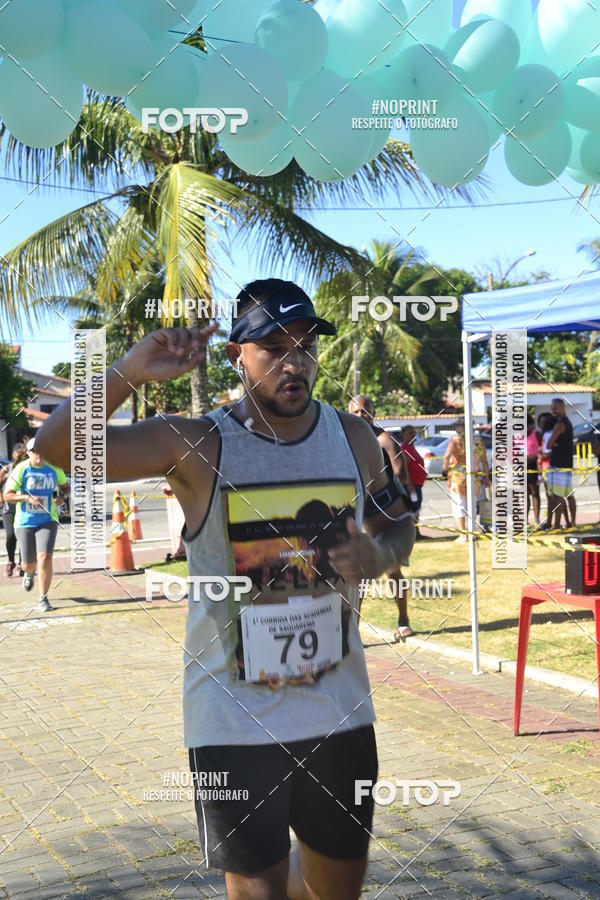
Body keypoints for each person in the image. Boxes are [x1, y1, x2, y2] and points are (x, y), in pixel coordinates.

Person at [35, 279, 415, 900]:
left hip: (340, 715)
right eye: (273, 347)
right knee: (259, 891)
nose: (294, 363)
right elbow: (56, 448)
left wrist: (379, 554)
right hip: (233, 724)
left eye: (305, 345)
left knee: (334, 891)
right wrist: (129, 370)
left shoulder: (352, 438)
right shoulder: (200, 445)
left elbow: (398, 526)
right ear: (238, 355)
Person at [347, 396, 414, 641]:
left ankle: (403, 620)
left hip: (387, 515)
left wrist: (382, 479)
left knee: (393, 570)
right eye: (356, 412)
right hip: (359, 514)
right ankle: (354, 628)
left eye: (366, 411)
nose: (361, 416)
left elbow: (401, 472)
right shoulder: (347, 440)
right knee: (359, 575)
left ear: (374, 413)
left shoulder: (383, 438)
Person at [3, 437, 70, 612]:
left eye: (42, 450)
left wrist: (62, 498)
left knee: (45, 557)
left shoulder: (54, 468)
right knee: (28, 563)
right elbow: (7, 495)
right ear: (29, 453)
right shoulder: (22, 469)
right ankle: (28, 573)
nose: (38, 454)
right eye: (34, 451)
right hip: (25, 522)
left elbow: (66, 487)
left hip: (47, 520)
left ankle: (43, 598)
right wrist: (26, 498)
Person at [443, 421, 490, 542]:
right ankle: (472, 532)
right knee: (472, 505)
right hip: (474, 476)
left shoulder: (455, 440)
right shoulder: (478, 440)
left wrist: (444, 469)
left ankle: (463, 534)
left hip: (458, 476)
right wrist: (486, 476)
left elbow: (447, 456)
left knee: (459, 505)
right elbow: (484, 460)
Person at [546, 398, 575, 529]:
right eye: (552, 408)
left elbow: (549, 444)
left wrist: (554, 443)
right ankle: (571, 522)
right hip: (567, 464)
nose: (553, 410)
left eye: (555, 408)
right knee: (569, 496)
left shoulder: (560, 425)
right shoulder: (568, 423)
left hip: (558, 465)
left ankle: (557, 525)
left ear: (562, 408)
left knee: (557, 496)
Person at [1, 442, 27, 577]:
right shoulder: (7, 469)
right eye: (18, 453)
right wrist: (1, 497)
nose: (21, 456)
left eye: (23, 454)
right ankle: (11, 561)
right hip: (8, 508)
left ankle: (21, 564)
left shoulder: (27, 469)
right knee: (11, 535)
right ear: (13, 454)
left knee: (23, 536)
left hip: (23, 508)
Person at [400, 425, 427, 538]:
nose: (412, 435)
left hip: (418, 484)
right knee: (412, 508)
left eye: (413, 432)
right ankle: (412, 534)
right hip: (411, 485)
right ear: (403, 435)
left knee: (416, 508)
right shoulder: (405, 448)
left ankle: (416, 533)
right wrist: (409, 484)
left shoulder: (412, 447)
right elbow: (404, 468)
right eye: (409, 433)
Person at [526, 414, 541, 527]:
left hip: (533, 466)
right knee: (524, 495)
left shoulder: (537, 434)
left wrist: (535, 457)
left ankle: (537, 519)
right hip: (520, 468)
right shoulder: (516, 436)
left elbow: (542, 451)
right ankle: (524, 521)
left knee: (535, 493)